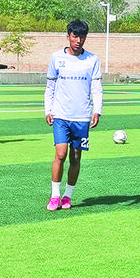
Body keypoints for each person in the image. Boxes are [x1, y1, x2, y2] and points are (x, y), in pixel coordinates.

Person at [44, 19, 102, 210]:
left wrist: (97, 110)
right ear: (68, 36)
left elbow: (96, 87)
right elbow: (50, 86)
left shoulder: (92, 60)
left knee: (75, 158)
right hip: (61, 115)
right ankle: (54, 196)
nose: (78, 40)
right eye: (75, 36)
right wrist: (48, 109)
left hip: (82, 117)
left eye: (82, 36)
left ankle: (67, 196)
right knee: (60, 154)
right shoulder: (56, 57)